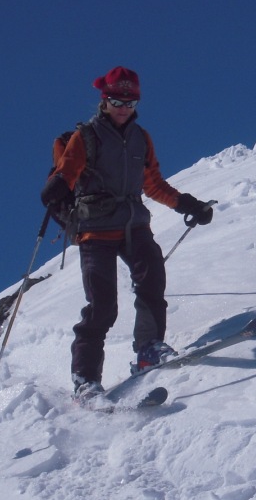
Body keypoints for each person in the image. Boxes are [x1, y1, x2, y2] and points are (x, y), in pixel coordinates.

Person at [40, 66, 214, 401]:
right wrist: (57, 187)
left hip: (134, 223)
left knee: (152, 279)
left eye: (130, 101)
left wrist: (187, 204)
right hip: (95, 229)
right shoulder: (86, 137)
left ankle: (149, 348)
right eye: (117, 100)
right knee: (102, 305)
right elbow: (69, 172)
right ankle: (85, 380)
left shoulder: (140, 138)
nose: (123, 107)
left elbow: (153, 184)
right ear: (104, 100)